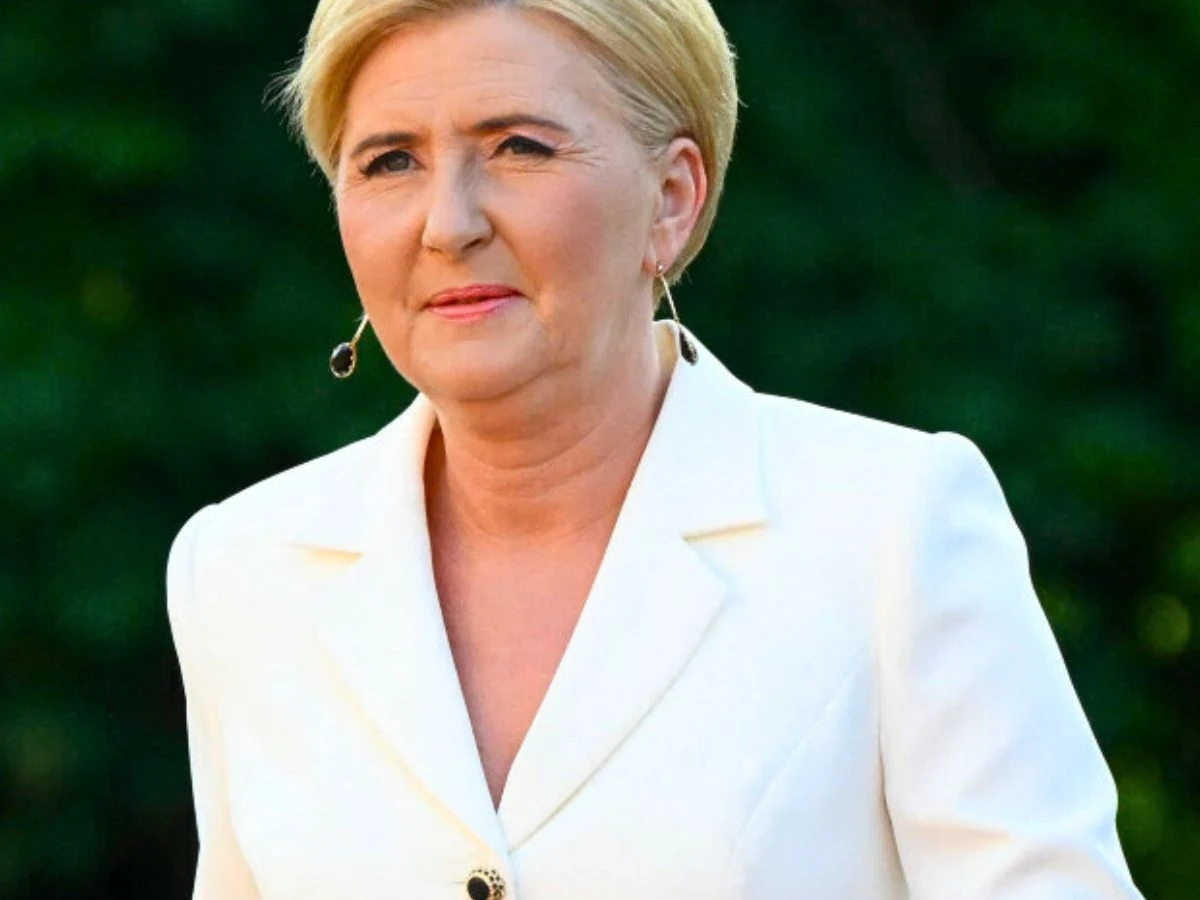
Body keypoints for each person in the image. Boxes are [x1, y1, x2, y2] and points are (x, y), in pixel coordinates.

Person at [165, 1, 1144, 898]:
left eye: (518, 147)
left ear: (672, 198)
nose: (448, 224)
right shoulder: (238, 569)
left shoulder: (893, 527)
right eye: (389, 162)